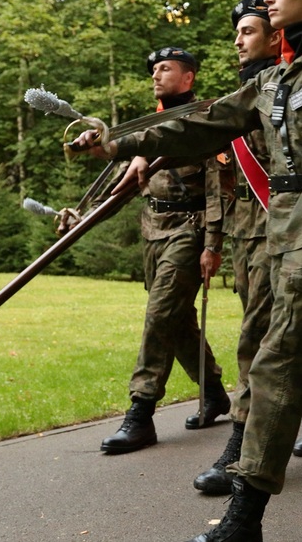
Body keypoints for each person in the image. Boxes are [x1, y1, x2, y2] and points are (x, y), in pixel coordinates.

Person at [73, 0, 302, 540]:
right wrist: (115, 141)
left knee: (278, 358)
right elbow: (198, 125)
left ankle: (246, 512)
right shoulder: (272, 80)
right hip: (279, 233)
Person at [193, 0, 302, 496]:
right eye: (238, 33)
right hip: (248, 235)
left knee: (259, 339)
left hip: (293, 233)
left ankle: (240, 445)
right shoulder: (245, 96)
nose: (238, 40)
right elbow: (207, 157)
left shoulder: (295, 93)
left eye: (248, 31)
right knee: (296, 337)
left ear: (275, 38)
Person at [98, 47, 230, 455]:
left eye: (165, 69)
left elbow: (216, 188)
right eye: (153, 68)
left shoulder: (203, 121)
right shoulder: (148, 127)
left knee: (159, 315)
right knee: (178, 322)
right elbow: (121, 184)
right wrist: (82, 213)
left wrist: (212, 244)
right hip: (153, 230)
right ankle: (213, 392)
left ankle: (141, 413)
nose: (156, 75)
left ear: (188, 78)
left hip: (188, 232)